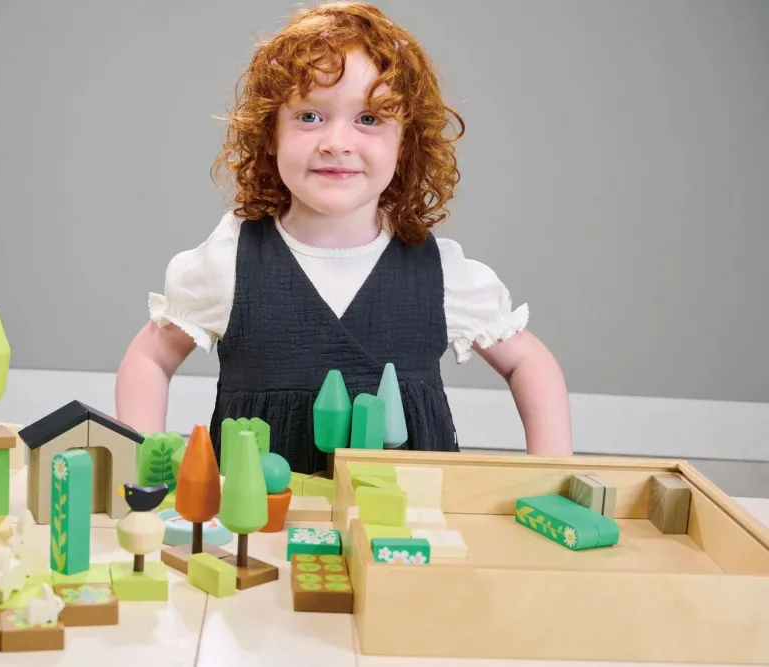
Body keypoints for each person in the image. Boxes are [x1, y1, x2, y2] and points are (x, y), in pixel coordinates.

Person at [115, 2, 572, 474]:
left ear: (405, 142)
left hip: (406, 515)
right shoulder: (228, 261)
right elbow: (150, 357)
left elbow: (527, 361)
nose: (337, 142)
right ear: (270, 133)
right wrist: (146, 468)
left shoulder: (441, 274)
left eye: (369, 119)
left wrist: (550, 476)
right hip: (260, 515)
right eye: (310, 116)